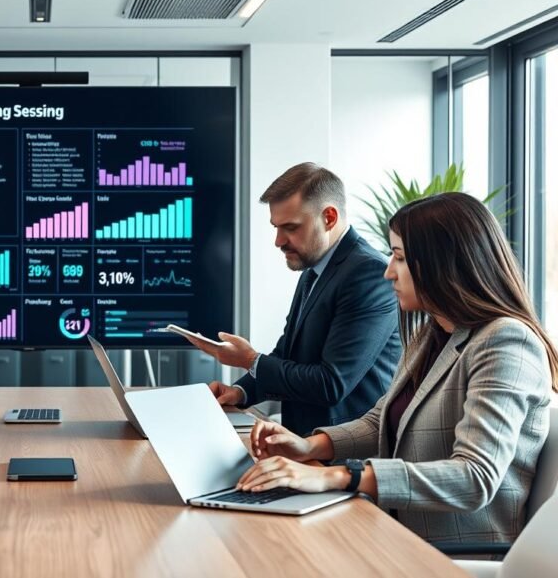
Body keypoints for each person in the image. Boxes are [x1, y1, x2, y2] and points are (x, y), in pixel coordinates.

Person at [236, 192, 556, 546]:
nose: (388, 271)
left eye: (399, 258)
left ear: (444, 264)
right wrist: (308, 447)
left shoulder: (506, 342)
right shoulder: (433, 335)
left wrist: (342, 477)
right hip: (391, 530)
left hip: (449, 553)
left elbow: (474, 477)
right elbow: (380, 423)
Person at [188, 163, 401, 434]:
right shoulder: (315, 266)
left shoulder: (368, 274)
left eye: (290, 227)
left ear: (329, 218)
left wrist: (251, 360)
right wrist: (240, 392)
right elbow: (288, 354)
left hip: (345, 455)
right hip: (304, 445)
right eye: (276, 227)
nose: (278, 240)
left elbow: (330, 383)